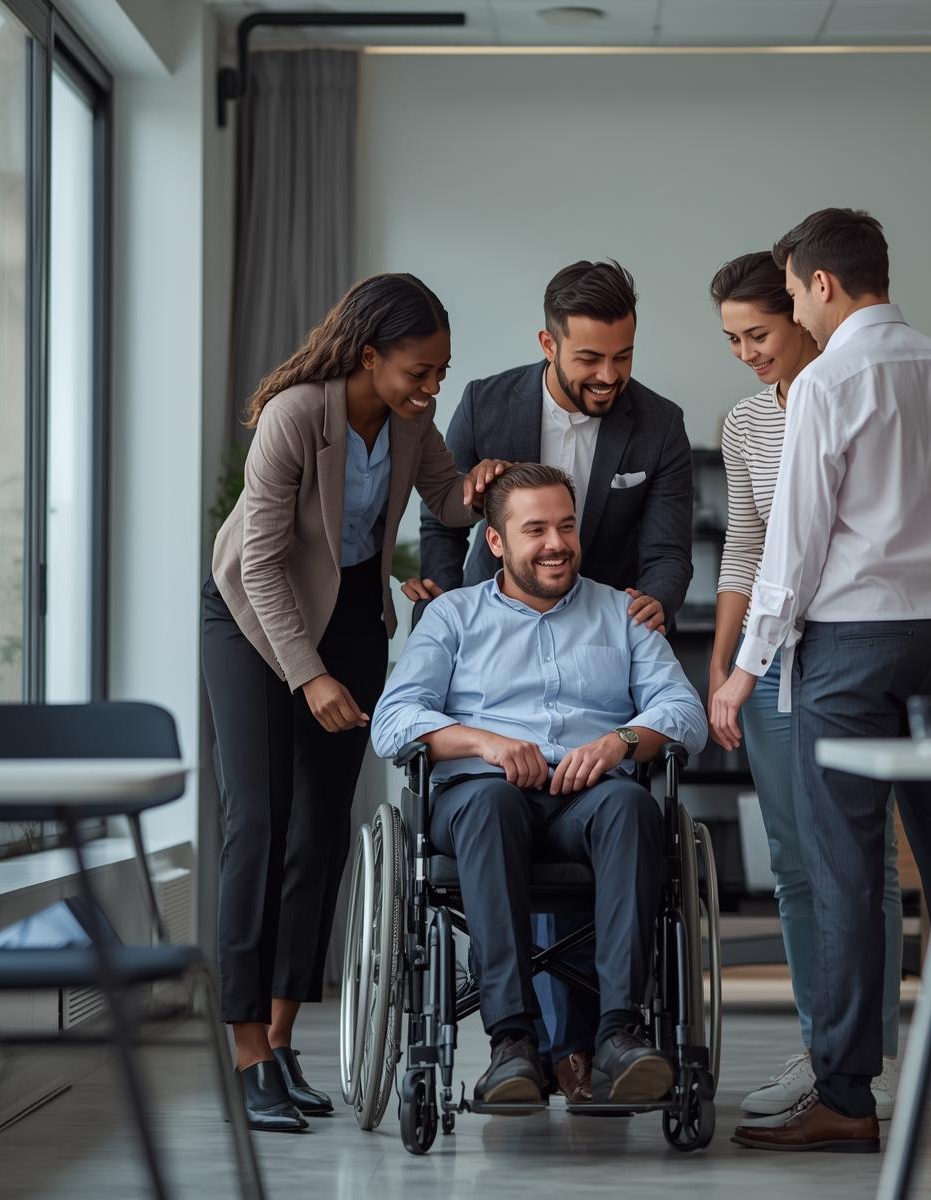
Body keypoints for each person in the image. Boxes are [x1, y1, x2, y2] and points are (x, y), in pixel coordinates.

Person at [711, 209, 931, 1153]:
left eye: (794, 290)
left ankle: (846, 1098)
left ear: (822, 283)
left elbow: (793, 547)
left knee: (846, 875)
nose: (796, 304)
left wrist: (744, 670)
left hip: (848, 651)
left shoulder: (829, 382)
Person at [202, 273, 508, 1132]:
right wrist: (309, 675)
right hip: (250, 620)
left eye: (442, 371)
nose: (432, 387)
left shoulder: (412, 421)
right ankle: (244, 1047)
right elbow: (259, 563)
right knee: (256, 822)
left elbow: (444, 496)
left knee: (322, 829)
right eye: (420, 370)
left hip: (348, 621)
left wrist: (479, 485)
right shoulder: (297, 415)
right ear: (369, 357)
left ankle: (284, 1035)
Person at [405, 260, 694, 1103]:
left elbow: (669, 548)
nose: (609, 376)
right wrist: (446, 602)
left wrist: (648, 611)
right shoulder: (489, 405)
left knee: (621, 807)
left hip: (603, 643)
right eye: (589, 360)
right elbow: (441, 511)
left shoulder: (659, 425)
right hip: (492, 643)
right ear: (549, 345)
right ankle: (521, 1046)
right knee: (498, 803)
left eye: (624, 358)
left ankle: (605, 1041)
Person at [372, 463, 707, 1108]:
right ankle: (512, 1044)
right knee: (492, 804)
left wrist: (621, 743)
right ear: (496, 542)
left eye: (566, 526)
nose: (557, 543)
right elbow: (395, 721)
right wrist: (484, 742)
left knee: (634, 807)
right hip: (482, 794)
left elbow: (683, 710)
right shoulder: (452, 617)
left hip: (589, 795)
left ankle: (619, 1035)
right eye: (536, 530)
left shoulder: (622, 612)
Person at [706, 251, 903, 1125]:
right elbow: (745, 550)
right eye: (732, 339)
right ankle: (823, 1045)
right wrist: (722, 665)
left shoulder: (857, 389)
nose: (747, 351)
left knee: (864, 862)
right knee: (792, 860)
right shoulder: (746, 423)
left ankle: (858, 1058)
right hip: (769, 661)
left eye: (759, 332)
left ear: (801, 312)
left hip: (848, 651)